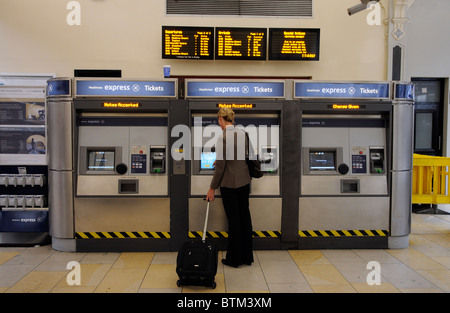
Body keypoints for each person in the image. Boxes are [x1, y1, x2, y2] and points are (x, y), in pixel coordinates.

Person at [206, 107, 254, 268]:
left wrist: (212, 188)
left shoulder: (223, 137)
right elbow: (242, 156)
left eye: (218, 120)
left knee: (234, 221)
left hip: (230, 185)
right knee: (244, 218)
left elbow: (221, 166)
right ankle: (247, 257)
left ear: (221, 118)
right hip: (244, 182)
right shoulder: (243, 133)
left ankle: (234, 259)